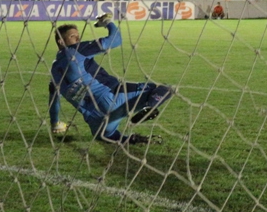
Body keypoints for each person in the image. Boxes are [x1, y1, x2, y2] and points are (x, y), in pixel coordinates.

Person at [49, 14, 174, 144]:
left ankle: (133, 140)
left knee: (107, 135)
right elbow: (116, 40)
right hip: (112, 100)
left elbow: (54, 101)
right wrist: (107, 22)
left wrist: (55, 123)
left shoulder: (54, 72)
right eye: (73, 36)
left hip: (96, 121)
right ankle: (149, 108)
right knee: (165, 89)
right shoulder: (76, 50)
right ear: (61, 41)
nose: (78, 38)